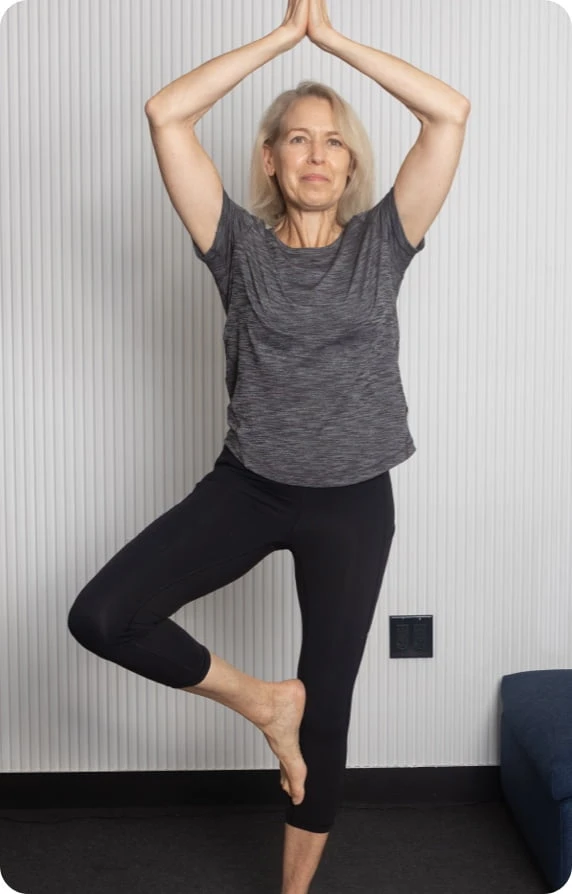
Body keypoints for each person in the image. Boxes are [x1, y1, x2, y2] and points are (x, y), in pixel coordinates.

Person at [68, 0, 469, 891]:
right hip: (250, 487)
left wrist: (333, 39)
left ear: (352, 163)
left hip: (354, 502)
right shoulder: (237, 246)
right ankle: (263, 702)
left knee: (328, 708)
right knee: (103, 616)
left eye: (333, 141)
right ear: (269, 158)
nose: (316, 154)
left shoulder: (383, 243)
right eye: (296, 138)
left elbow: (448, 114)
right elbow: (167, 113)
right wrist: (286, 37)